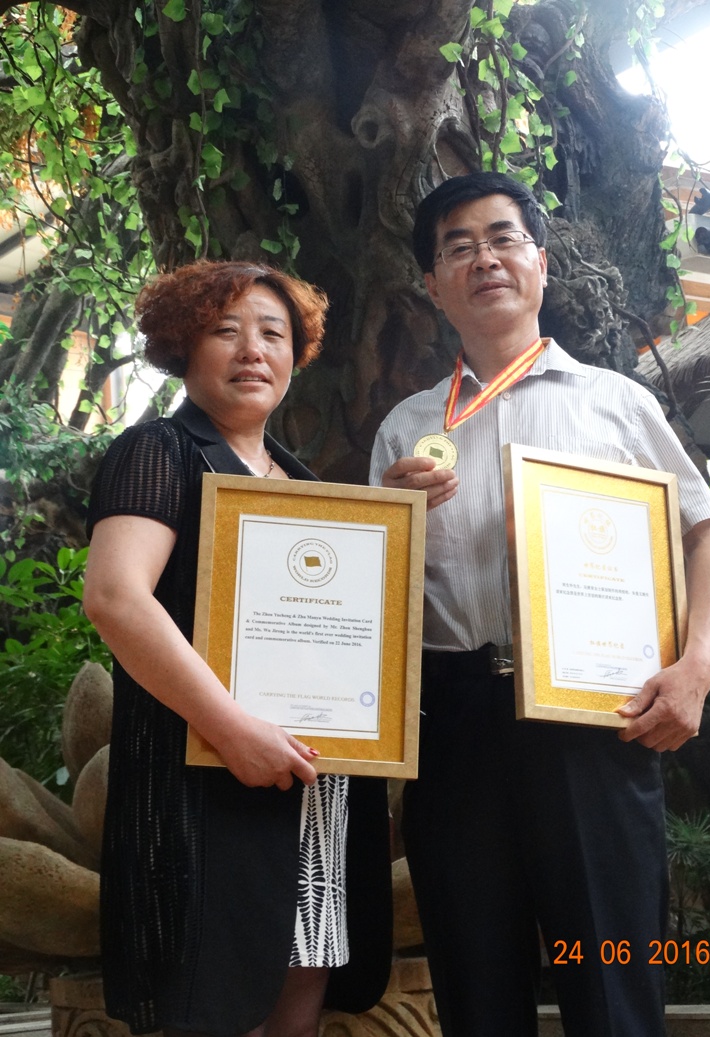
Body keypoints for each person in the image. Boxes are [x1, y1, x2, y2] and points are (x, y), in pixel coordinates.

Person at [370, 172, 710, 1037]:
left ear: (540, 262)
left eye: (503, 238)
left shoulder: (619, 403)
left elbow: (708, 534)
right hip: (456, 723)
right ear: (432, 284)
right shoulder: (405, 429)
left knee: (611, 979)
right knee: (478, 987)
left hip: (595, 719)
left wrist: (698, 667)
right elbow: (377, 602)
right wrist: (390, 521)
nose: (484, 259)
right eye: (458, 247)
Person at [83, 261, 391, 1037]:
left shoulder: (300, 480)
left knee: (294, 1008)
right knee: (217, 1010)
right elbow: (116, 596)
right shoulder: (159, 450)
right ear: (182, 345)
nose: (253, 349)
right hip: (206, 786)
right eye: (226, 330)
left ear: (295, 354)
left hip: (307, 790)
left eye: (273, 333)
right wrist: (232, 727)